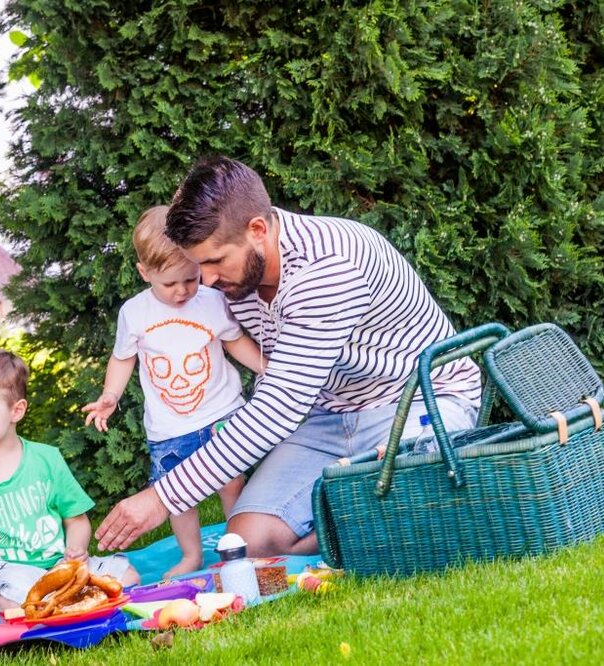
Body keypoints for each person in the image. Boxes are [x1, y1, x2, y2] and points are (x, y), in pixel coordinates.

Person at [95, 156, 482, 558]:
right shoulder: (238, 275)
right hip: (325, 415)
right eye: (199, 265)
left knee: (417, 498)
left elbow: (279, 406)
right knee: (246, 544)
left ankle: (370, 510)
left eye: (215, 261)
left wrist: (163, 497)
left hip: (416, 400)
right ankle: (362, 512)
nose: (206, 280)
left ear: (257, 230)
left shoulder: (328, 268)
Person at [81, 205, 264, 578]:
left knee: (232, 481)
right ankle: (191, 555)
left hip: (220, 413)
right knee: (176, 495)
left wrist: (266, 366)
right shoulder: (135, 313)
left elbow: (234, 342)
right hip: (170, 427)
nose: (182, 291)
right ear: (144, 273)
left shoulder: (213, 301)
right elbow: (122, 358)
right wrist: (110, 395)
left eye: (191, 279)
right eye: (170, 284)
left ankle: (241, 545)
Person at [0, 348, 140, 632]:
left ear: (16, 411)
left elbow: (76, 520)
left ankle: (60, 600)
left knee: (127, 575)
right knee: (15, 600)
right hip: (4, 576)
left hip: (57, 568)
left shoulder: (47, 459)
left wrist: (76, 550)